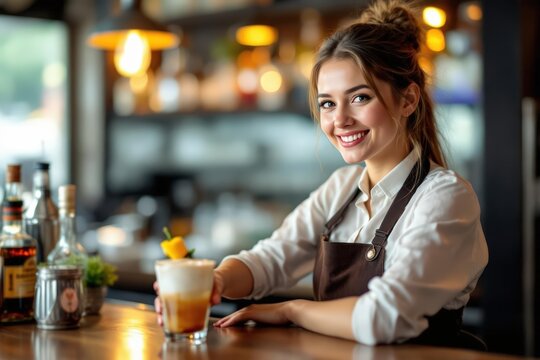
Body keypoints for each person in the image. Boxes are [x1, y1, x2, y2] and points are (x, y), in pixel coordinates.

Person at [154, 0, 488, 347]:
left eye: (360, 98)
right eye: (328, 103)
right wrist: (215, 281)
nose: (339, 119)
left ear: (408, 101)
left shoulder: (445, 198)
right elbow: (271, 259)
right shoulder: (341, 189)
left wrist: (293, 311)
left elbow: (383, 318)